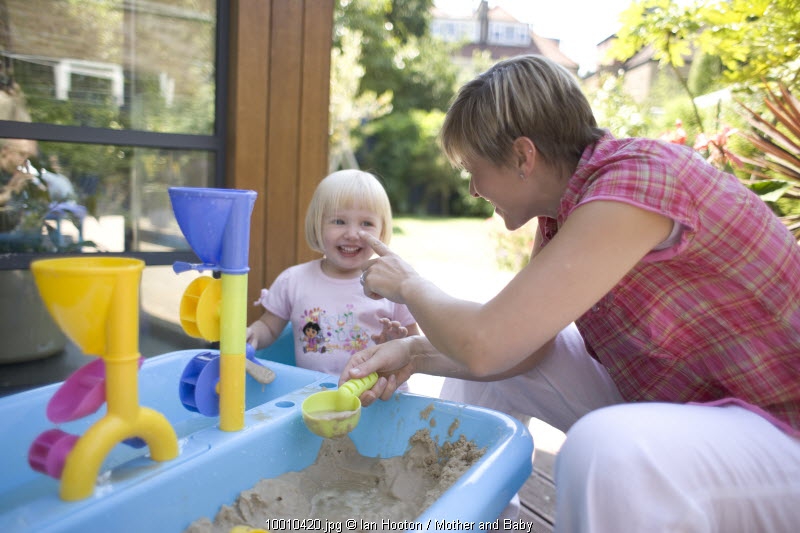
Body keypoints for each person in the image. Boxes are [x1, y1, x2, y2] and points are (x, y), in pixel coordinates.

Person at [340, 55, 800, 532]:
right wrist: (413, 352)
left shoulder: (637, 181)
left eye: (473, 170)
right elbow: (514, 350)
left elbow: (485, 343)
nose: (473, 189)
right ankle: (471, 521)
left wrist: (409, 285)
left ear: (523, 156)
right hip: (699, 410)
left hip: (780, 430)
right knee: (490, 376)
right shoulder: (566, 208)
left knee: (606, 452)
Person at [246, 169, 419, 376]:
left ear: (382, 231)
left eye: (366, 224)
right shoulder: (293, 280)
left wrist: (397, 343)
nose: (352, 234)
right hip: (314, 399)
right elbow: (269, 327)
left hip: (381, 400)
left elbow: (416, 347)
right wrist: (253, 334)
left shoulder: (393, 284)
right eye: (339, 221)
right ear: (317, 225)